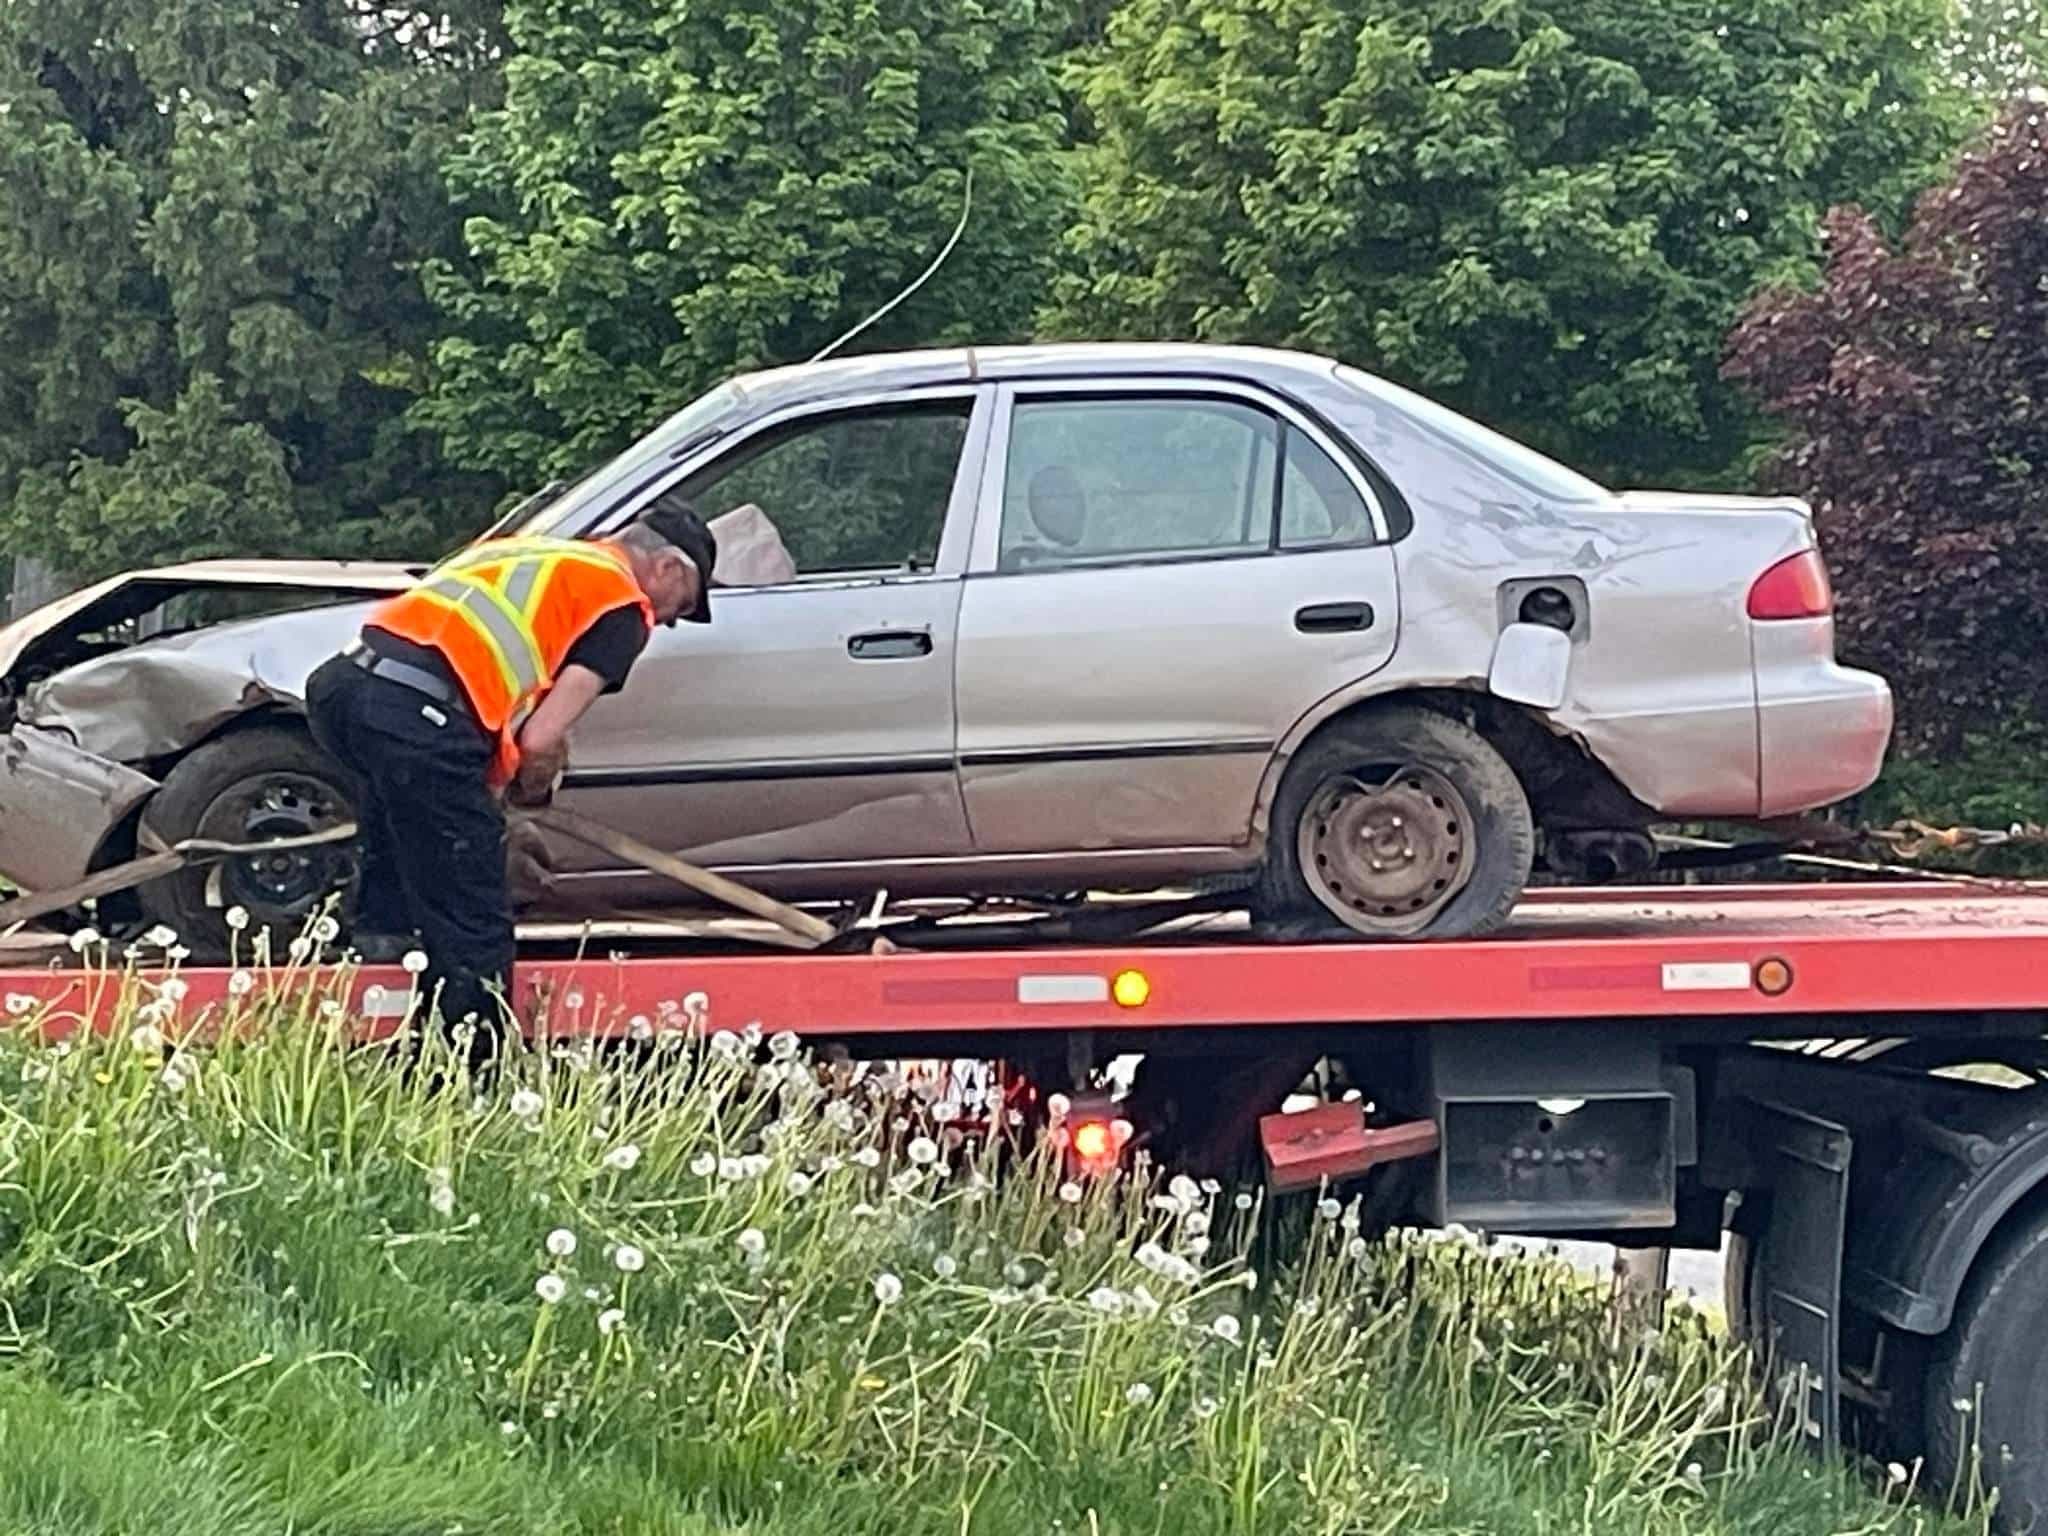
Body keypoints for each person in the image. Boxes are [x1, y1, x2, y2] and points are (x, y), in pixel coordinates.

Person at [304, 502, 717, 1069]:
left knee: (403, 818)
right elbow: (542, 737)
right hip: (418, 710)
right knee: (475, 912)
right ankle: (466, 1075)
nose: (668, 619)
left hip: (343, 688)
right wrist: (521, 787)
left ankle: (384, 933)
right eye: (683, 605)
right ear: (668, 569)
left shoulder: (532, 551)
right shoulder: (624, 605)